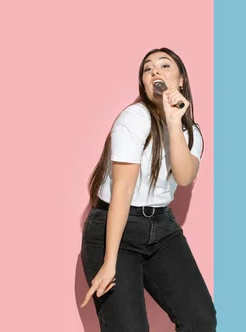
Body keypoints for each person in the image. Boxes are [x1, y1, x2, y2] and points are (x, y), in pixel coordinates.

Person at [80, 48, 216, 331]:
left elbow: (184, 175)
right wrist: (109, 262)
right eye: (147, 69)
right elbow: (123, 190)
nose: (155, 71)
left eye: (165, 65)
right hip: (115, 227)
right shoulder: (134, 119)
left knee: (200, 319)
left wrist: (174, 121)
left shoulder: (192, 133)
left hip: (162, 229)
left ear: (180, 81)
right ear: (143, 83)